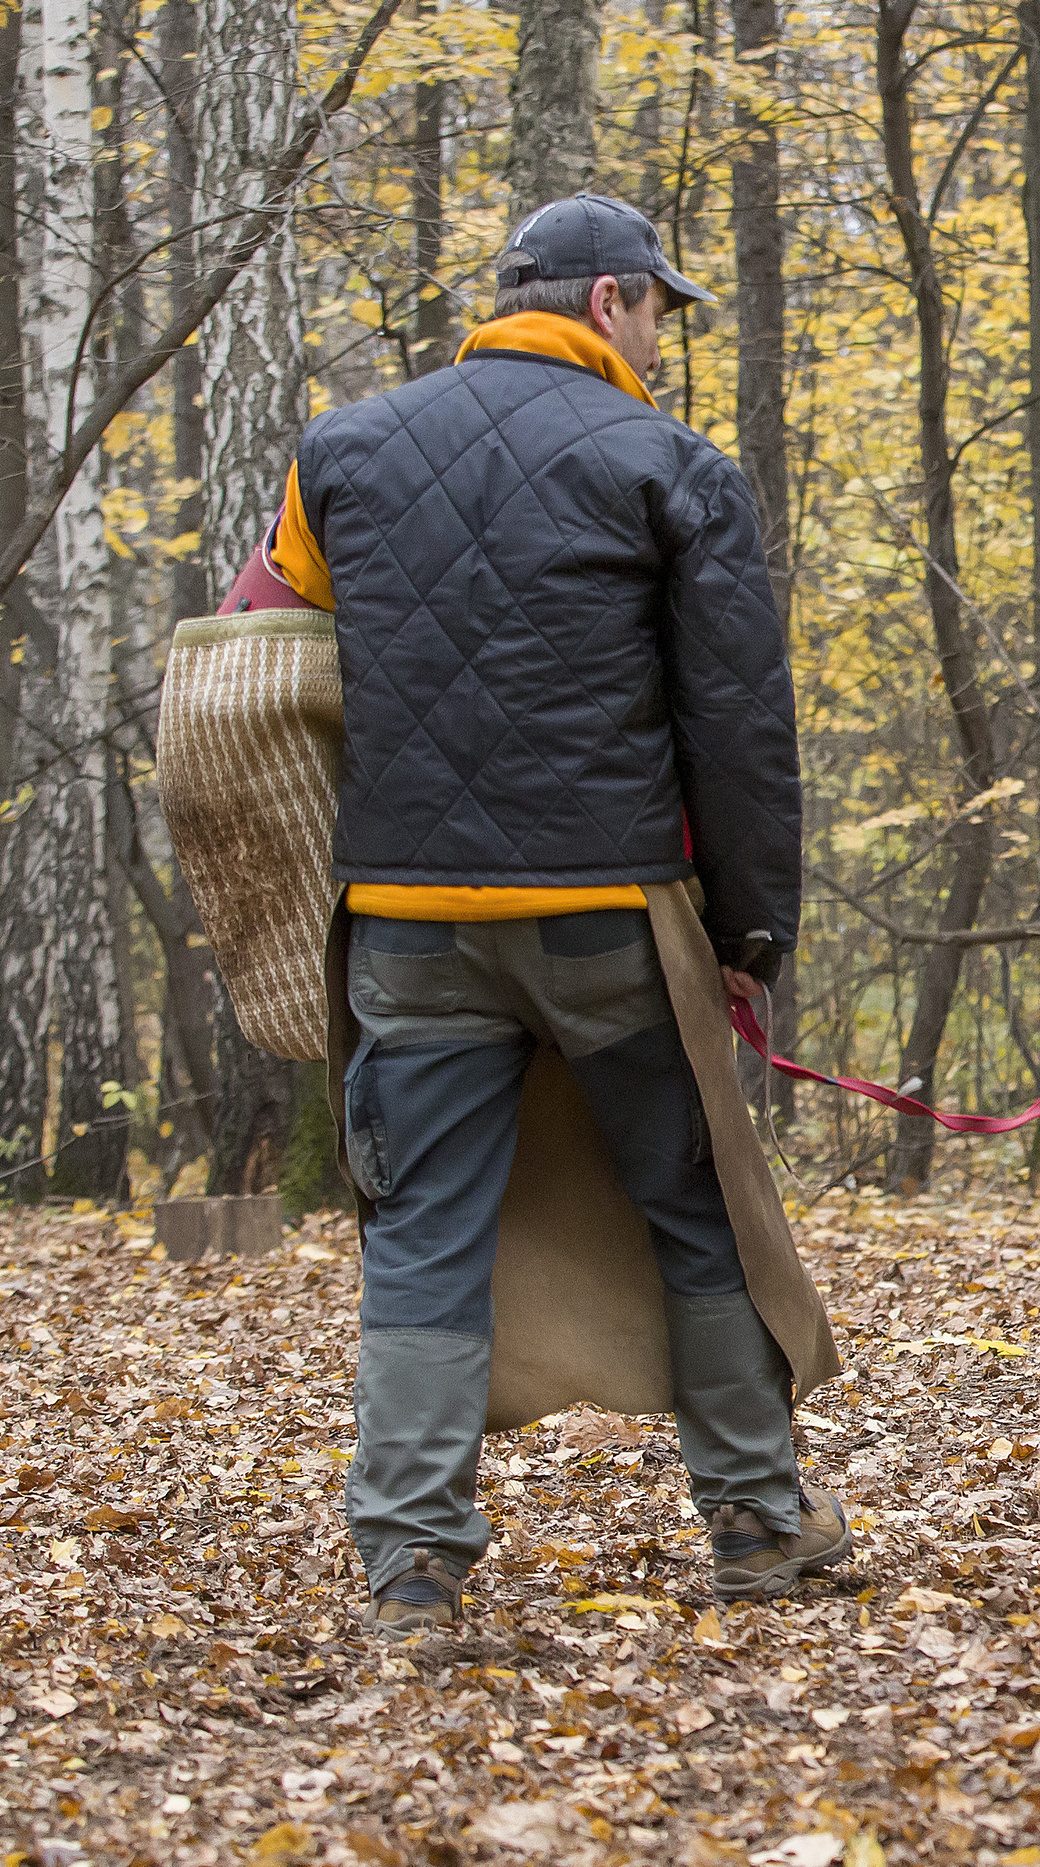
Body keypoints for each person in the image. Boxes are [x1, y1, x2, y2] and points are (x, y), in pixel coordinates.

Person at [250, 193, 848, 1633]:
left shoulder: (340, 454)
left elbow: (256, 650)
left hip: (403, 920)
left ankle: (409, 1572)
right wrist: (753, 933)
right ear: (607, 303)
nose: (662, 338)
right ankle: (762, 1529)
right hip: (604, 911)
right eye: (659, 310)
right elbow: (738, 727)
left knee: (423, 1232)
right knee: (696, 1213)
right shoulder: (671, 466)